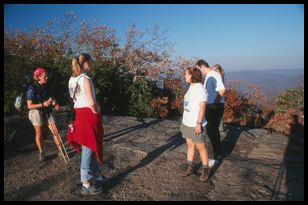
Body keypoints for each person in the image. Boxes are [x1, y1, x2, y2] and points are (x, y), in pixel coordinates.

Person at [67, 56, 105, 196]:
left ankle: (98, 175)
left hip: (79, 116)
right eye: (91, 62)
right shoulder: (85, 79)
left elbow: (75, 99)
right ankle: (86, 183)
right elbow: (91, 102)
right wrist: (97, 109)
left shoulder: (72, 79)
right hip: (89, 116)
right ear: (86, 63)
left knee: (89, 147)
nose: (93, 64)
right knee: (89, 149)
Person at [180, 66, 210, 182]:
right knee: (190, 145)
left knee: (200, 147)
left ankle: (206, 169)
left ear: (192, 76)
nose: (185, 76)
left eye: (186, 74)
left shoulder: (200, 89)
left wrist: (198, 124)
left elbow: (202, 107)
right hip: (187, 122)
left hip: (195, 124)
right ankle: (190, 167)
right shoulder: (191, 87)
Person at [26, 67, 61, 161]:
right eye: (45, 76)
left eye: (47, 76)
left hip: (47, 110)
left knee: (55, 130)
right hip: (36, 111)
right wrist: (42, 104)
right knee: (39, 133)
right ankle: (41, 152)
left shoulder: (48, 85)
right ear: (38, 77)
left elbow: (52, 97)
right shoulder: (31, 88)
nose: (47, 78)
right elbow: (29, 106)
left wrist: (55, 103)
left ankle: (61, 150)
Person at [196, 60, 225, 168]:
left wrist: (214, 104)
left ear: (202, 66)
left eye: (198, 69)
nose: (199, 72)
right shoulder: (210, 75)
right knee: (213, 131)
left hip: (214, 107)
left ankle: (212, 158)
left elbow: (222, 90)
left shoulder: (213, 75)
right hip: (213, 106)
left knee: (210, 132)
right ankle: (217, 154)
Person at [212, 64, 225, 134]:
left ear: (219, 70)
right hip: (219, 98)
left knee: (218, 114)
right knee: (218, 114)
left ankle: (219, 128)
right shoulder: (220, 76)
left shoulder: (219, 76)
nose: (214, 71)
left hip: (218, 97)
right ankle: (220, 128)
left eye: (215, 69)